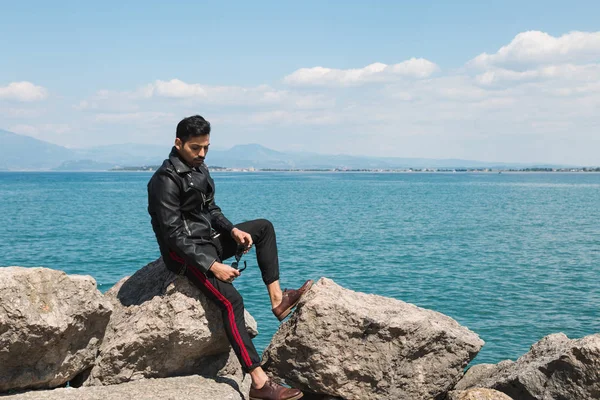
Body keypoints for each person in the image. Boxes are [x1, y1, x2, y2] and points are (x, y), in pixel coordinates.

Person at [147, 115, 312, 400]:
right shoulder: (165, 180)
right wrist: (213, 266)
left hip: (208, 241)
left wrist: (232, 230)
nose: (201, 154)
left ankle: (278, 301)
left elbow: (210, 209)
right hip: (186, 256)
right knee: (231, 300)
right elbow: (173, 236)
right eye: (195, 148)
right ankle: (259, 383)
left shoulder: (199, 168)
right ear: (178, 143)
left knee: (263, 228)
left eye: (206, 148)